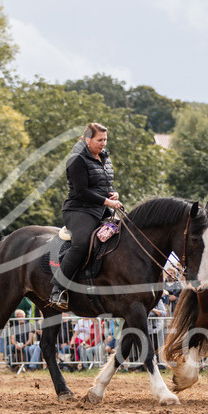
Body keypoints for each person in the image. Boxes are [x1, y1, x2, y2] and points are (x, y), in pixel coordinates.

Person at [51, 123, 123, 309]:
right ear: (87, 139)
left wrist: (113, 193)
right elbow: (82, 191)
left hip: (102, 209)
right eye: (100, 140)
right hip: (79, 210)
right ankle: (58, 289)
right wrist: (108, 202)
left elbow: (105, 185)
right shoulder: (76, 160)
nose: (103, 143)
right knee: (82, 243)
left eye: (105, 139)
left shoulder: (105, 158)